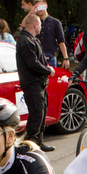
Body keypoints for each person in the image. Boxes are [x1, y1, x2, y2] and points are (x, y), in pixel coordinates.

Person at [16, 13, 54, 152]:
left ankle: (39, 142)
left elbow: (38, 60)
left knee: (42, 112)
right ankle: (31, 144)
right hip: (32, 83)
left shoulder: (32, 40)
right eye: (40, 24)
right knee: (36, 114)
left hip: (39, 83)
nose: (41, 27)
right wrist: (47, 70)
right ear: (35, 25)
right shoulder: (25, 41)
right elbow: (33, 63)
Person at [34, 0, 68, 68]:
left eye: (40, 7)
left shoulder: (55, 22)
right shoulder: (34, 22)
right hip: (36, 55)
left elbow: (61, 41)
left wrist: (66, 58)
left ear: (46, 6)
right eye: (36, 7)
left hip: (50, 56)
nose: (39, 10)